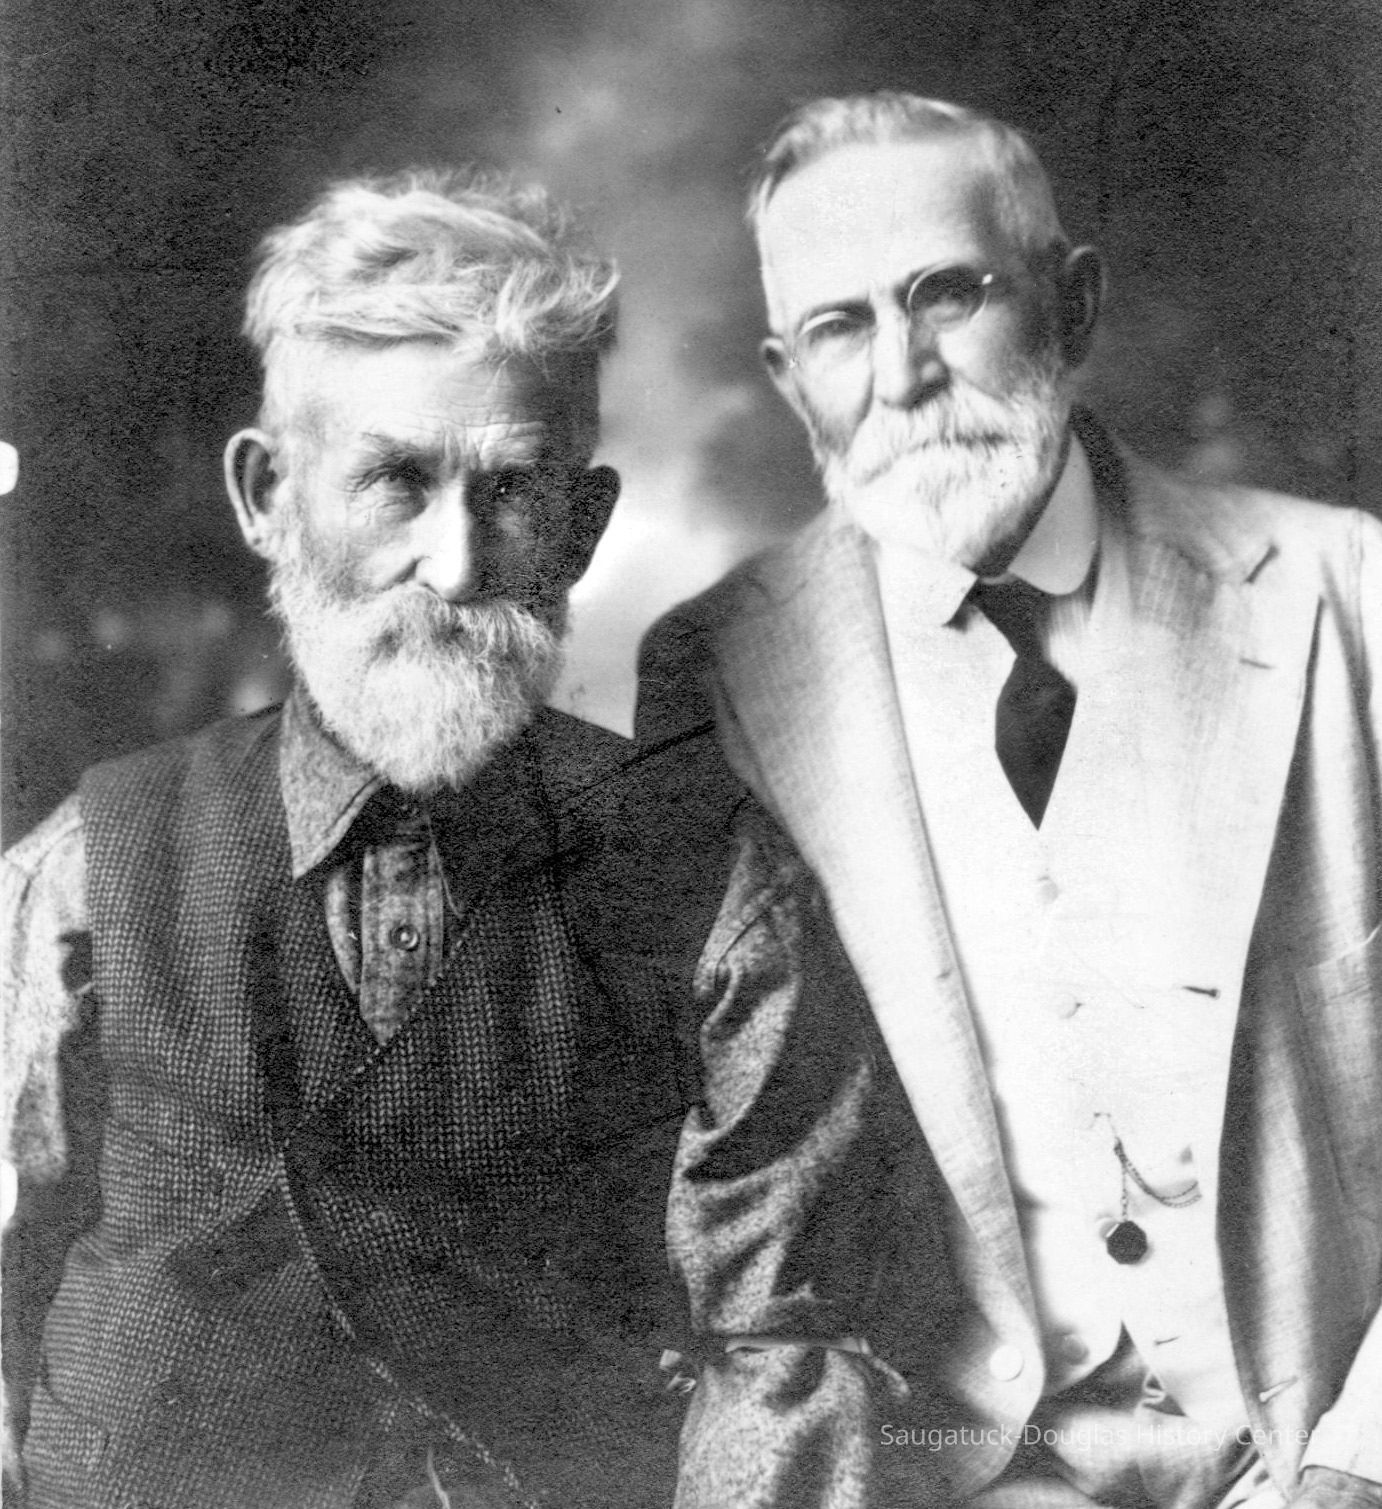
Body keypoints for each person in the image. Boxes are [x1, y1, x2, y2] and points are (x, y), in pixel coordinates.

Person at [642, 94, 1382, 1508]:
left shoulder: (1346, 592)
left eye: (948, 293)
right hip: (958, 1466)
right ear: (788, 378)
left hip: (1326, 1446)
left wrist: (1358, 1461)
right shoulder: (719, 669)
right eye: (841, 327)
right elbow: (749, 1195)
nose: (904, 374)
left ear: (1071, 302)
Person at [2, 167, 741, 1509]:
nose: (455, 565)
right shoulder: (84, 872)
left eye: (510, 490)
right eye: (396, 480)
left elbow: (787, 1333)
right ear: (267, 495)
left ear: (582, 528)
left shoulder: (705, 874)